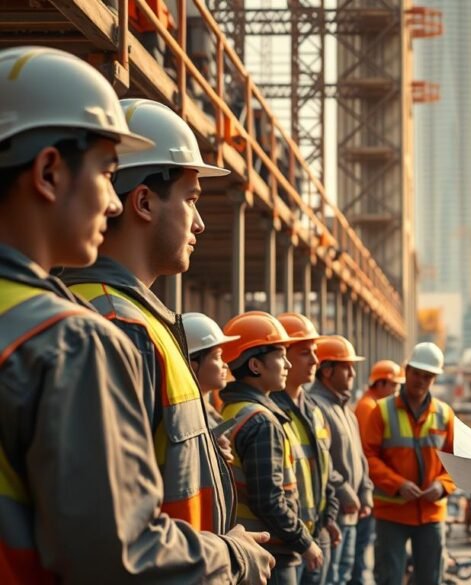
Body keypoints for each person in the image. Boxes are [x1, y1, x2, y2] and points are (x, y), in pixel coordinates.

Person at [0, 45, 271, 583]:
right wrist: (232, 557)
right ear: (50, 171)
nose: (114, 200)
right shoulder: (74, 339)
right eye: (106, 171)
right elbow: (116, 553)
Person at [60, 97, 240, 535]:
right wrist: (230, 558)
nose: (199, 224)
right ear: (143, 201)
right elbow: (113, 534)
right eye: (191, 200)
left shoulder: (136, 320)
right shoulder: (120, 328)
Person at [220, 311, 321, 585]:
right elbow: (269, 500)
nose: (287, 363)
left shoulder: (230, 410)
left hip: (245, 547)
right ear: (255, 365)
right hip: (271, 553)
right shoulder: (261, 421)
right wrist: (305, 542)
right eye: (280, 354)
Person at [362, 342, 455, 585]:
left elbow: (457, 463)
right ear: (407, 370)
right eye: (417, 373)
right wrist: (398, 484)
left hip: (431, 514)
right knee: (389, 578)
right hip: (392, 513)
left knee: (430, 579)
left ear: (434, 378)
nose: (421, 380)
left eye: (428, 376)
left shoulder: (445, 415)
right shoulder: (381, 411)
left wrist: (442, 485)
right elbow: (368, 457)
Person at [273, 312, 342, 585]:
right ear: (283, 354)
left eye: (314, 352)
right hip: (287, 542)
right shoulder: (270, 412)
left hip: (317, 533)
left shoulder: (314, 410)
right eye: (305, 352)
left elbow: (326, 469)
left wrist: (330, 517)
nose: (315, 359)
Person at [308, 336, 374, 585]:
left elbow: (359, 458)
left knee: (345, 575)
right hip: (334, 514)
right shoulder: (317, 407)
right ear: (326, 371)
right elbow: (321, 459)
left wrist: (365, 491)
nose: (352, 373)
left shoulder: (346, 410)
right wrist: (345, 492)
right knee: (333, 577)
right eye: (346, 366)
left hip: (352, 514)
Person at [350, 359, 404, 585]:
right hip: (365, 490)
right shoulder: (369, 408)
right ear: (381, 384)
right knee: (359, 549)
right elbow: (367, 452)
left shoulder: (368, 404)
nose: (397, 392)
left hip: (366, 488)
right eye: (394, 386)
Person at [184, 311, 241, 424]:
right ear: (192, 365)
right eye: (217, 357)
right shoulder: (187, 420)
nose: (225, 365)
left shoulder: (202, 414)